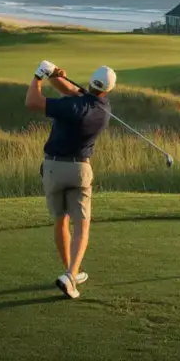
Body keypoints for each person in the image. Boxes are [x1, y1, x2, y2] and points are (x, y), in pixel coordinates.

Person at [25, 61, 116, 299]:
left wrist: (37, 77)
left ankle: (70, 273)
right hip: (79, 170)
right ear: (107, 90)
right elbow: (70, 90)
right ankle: (71, 273)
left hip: (53, 168)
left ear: (91, 83)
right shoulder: (103, 108)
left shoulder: (71, 107)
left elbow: (32, 102)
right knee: (82, 225)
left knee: (60, 220)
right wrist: (55, 75)